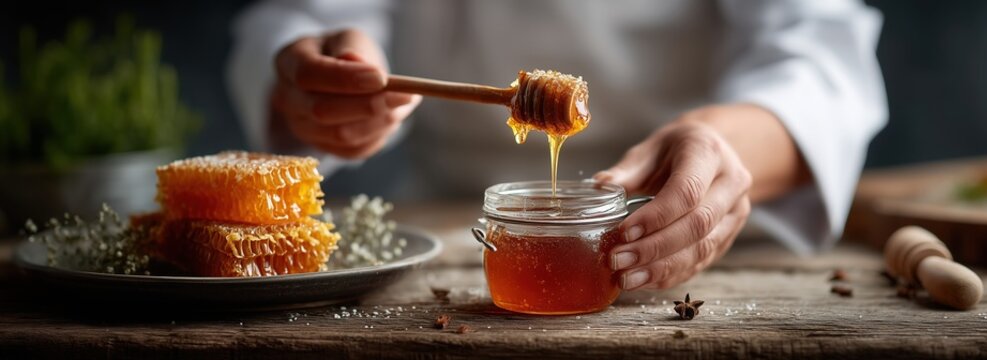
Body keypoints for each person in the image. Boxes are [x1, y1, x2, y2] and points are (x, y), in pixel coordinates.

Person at [227, 0, 887, 291]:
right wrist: (324, 83)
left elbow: (818, 59)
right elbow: (309, 17)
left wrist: (724, 142)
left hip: (684, 219)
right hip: (450, 223)